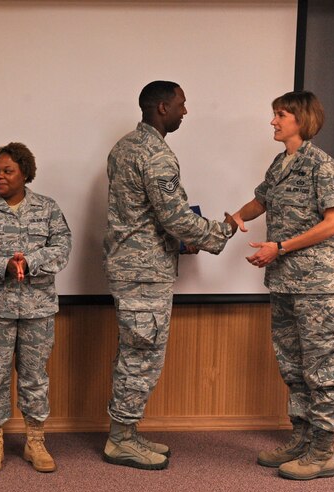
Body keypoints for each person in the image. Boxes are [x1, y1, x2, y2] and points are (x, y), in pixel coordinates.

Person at [103, 81, 237, 470]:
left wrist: (180, 238)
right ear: (162, 108)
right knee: (142, 355)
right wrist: (219, 232)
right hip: (144, 272)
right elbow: (174, 216)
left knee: (135, 351)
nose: (185, 110)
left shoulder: (124, 146)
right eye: (181, 104)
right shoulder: (155, 154)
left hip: (134, 266)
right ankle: (119, 440)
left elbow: (145, 214)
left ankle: (126, 432)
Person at [231, 91, 334, 480]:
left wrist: (279, 247)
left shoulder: (322, 166)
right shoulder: (281, 163)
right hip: (284, 284)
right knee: (293, 367)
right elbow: (260, 202)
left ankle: (322, 451)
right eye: (274, 115)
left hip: (318, 286)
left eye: (280, 115)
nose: (273, 122)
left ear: (301, 119)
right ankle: (300, 439)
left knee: (320, 367)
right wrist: (231, 221)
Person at [0, 142, 71, 473]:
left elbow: (62, 248)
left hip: (38, 309)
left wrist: (30, 261)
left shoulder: (48, 208)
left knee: (35, 376)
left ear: (25, 173)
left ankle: (35, 441)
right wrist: (2, 264)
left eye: (7, 171)